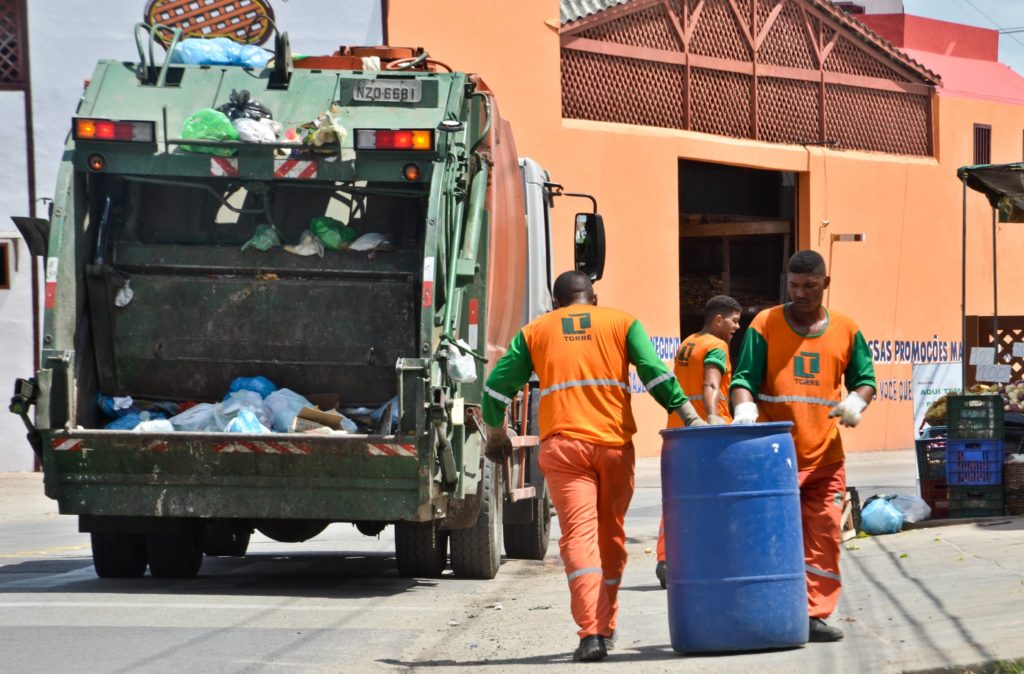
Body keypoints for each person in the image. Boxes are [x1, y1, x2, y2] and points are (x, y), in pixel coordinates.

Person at [482, 270, 707, 662]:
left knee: (579, 539)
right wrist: (689, 416)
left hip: (565, 450)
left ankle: (592, 634)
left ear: (555, 303)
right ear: (594, 297)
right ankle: (607, 621)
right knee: (611, 537)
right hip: (614, 447)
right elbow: (654, 373)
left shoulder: (537, 330)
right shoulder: (622, 322)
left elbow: (497, 385)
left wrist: (496, 431)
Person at [729, 250, 876, 643]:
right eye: (794, 286)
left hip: (825, 455)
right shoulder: (766, 323)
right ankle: (767, 607)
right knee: (770, 537)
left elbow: (866, 378)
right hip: (774, 456)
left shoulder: (845, 329)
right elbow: (743, 377)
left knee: (825, 534)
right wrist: (744, 410)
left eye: (810, 286)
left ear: (825, 284)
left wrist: (856, 401)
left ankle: (814, 614)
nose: (801, 294)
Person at [655, 294, 742, 588]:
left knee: (679, 498)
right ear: (718, 320)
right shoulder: (716, 346)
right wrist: (712, 418)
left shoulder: (688, 342)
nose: (737, 326)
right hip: (707, 433)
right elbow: (711, 383)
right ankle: (712, 557)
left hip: (678, 431)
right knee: (717, 498)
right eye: (734, 320)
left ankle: (667, 559)